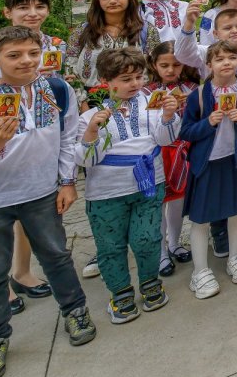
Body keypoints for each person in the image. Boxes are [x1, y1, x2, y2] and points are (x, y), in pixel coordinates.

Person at [0, 26, 96, 377]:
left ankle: (76, 310)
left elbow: (68, 138)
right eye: (14, 55)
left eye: (32, 53)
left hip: (40, 193)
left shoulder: (57, 90)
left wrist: (67, 181)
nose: (26, 61)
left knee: (56, 255)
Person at [78, 47, 181, 323]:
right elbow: (86, 159)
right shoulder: (92, 114)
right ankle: (120, 292)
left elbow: (163, 140)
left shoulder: (153, 104)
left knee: (147, 238)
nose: (134, 84)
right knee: (111, 244)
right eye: (126, 79)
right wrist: (91, 132)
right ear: (107, 80)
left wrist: (169, 117)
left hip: (149, 182)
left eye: (138, 76)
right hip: (107, 191)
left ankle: (150, 282)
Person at [178, 40, 237, 298]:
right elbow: (186, 131)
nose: (226, 63)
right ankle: (200, 271)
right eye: (220, 59)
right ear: (209, 64)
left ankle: (235, 257)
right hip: (207, 164)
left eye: (232, 58)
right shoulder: (199, 95)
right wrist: (208, 123)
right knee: (201, 218)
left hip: (236, 161)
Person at [145, 42, 198, 278]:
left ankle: (175, 242)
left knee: (178, 200)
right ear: (154, 65)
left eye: (176, 65)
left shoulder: (192, 88)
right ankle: (161, 252)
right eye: (164, 65)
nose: (170, 70)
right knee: (159, 202)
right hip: (158, 151)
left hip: (183, 150)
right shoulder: (146, 92)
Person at [67, 0, 161, 91]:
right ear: (98, 0)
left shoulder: (147, 31)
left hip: (135, 98)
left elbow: (155, 69)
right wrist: (82, 102)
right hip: (91, 100)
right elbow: (70, 66)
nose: (112, 1)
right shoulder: (83, 30)